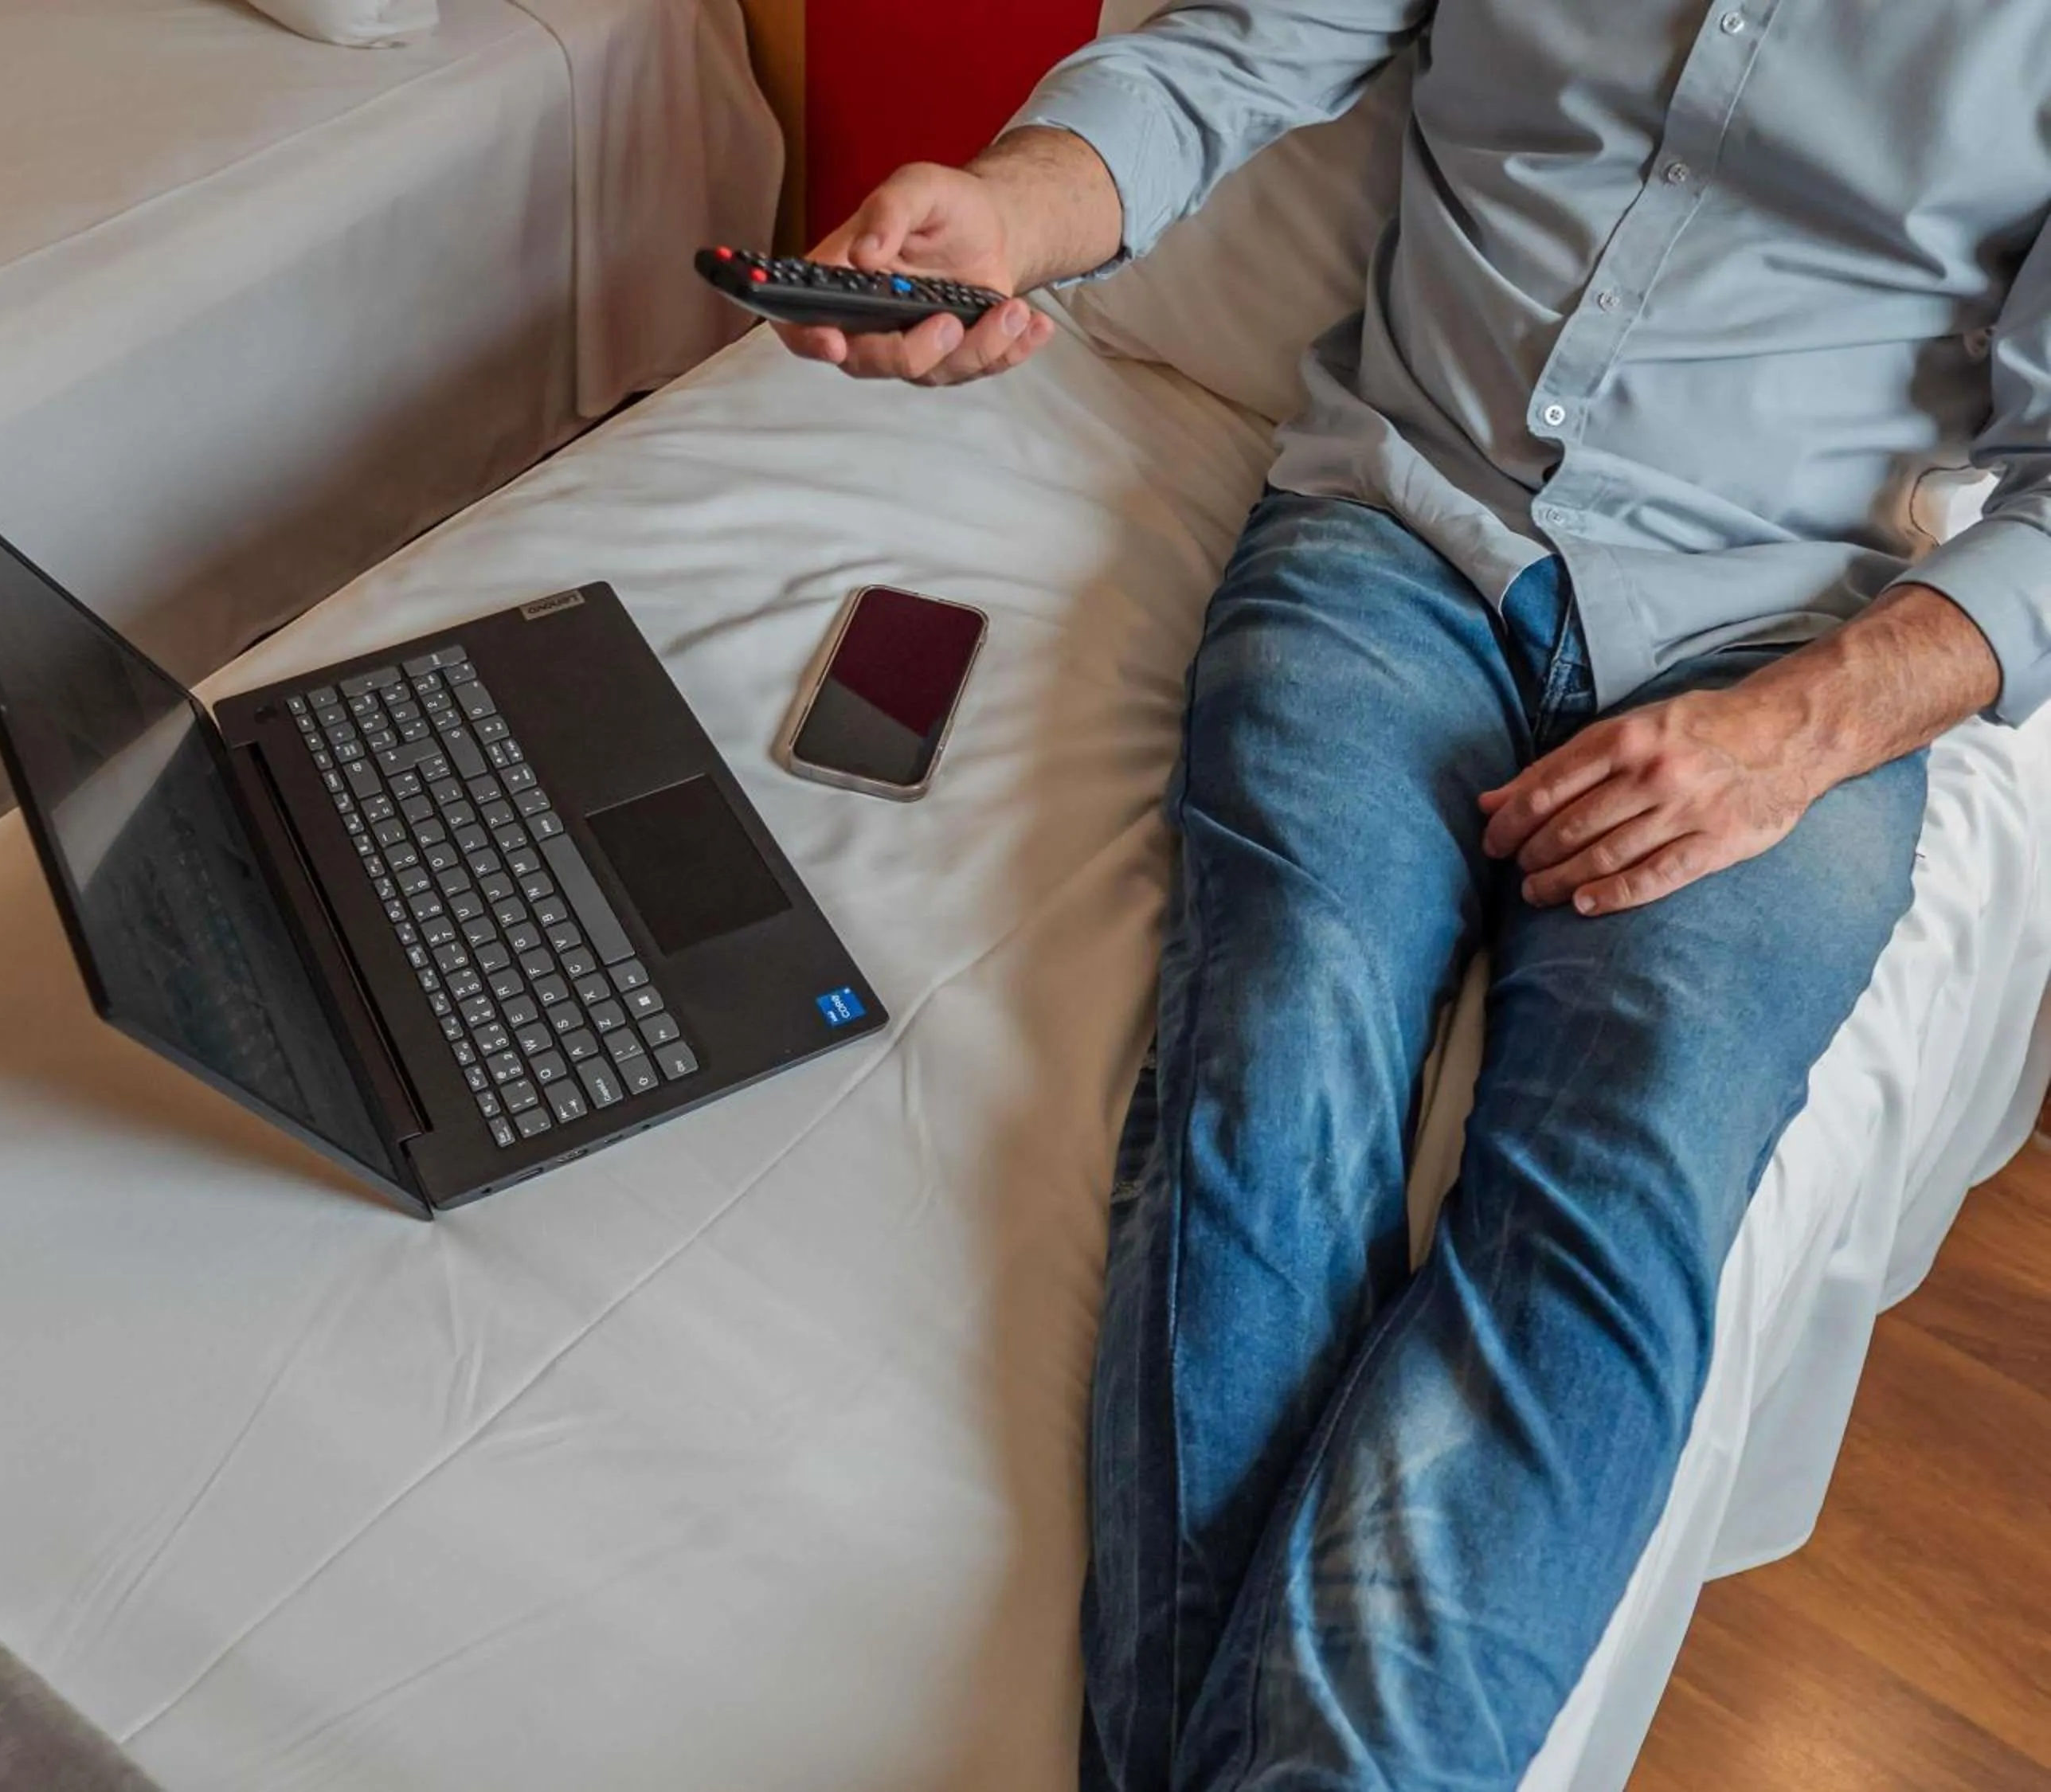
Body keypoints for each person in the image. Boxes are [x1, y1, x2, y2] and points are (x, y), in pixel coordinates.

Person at [775, 5, 2048, 1787]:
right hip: (1394, 538)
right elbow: (1221, 61)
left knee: (1619, 1195)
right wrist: (1004, 208)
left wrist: (1795, 732)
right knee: (1272, 1053)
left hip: (1791, 652)